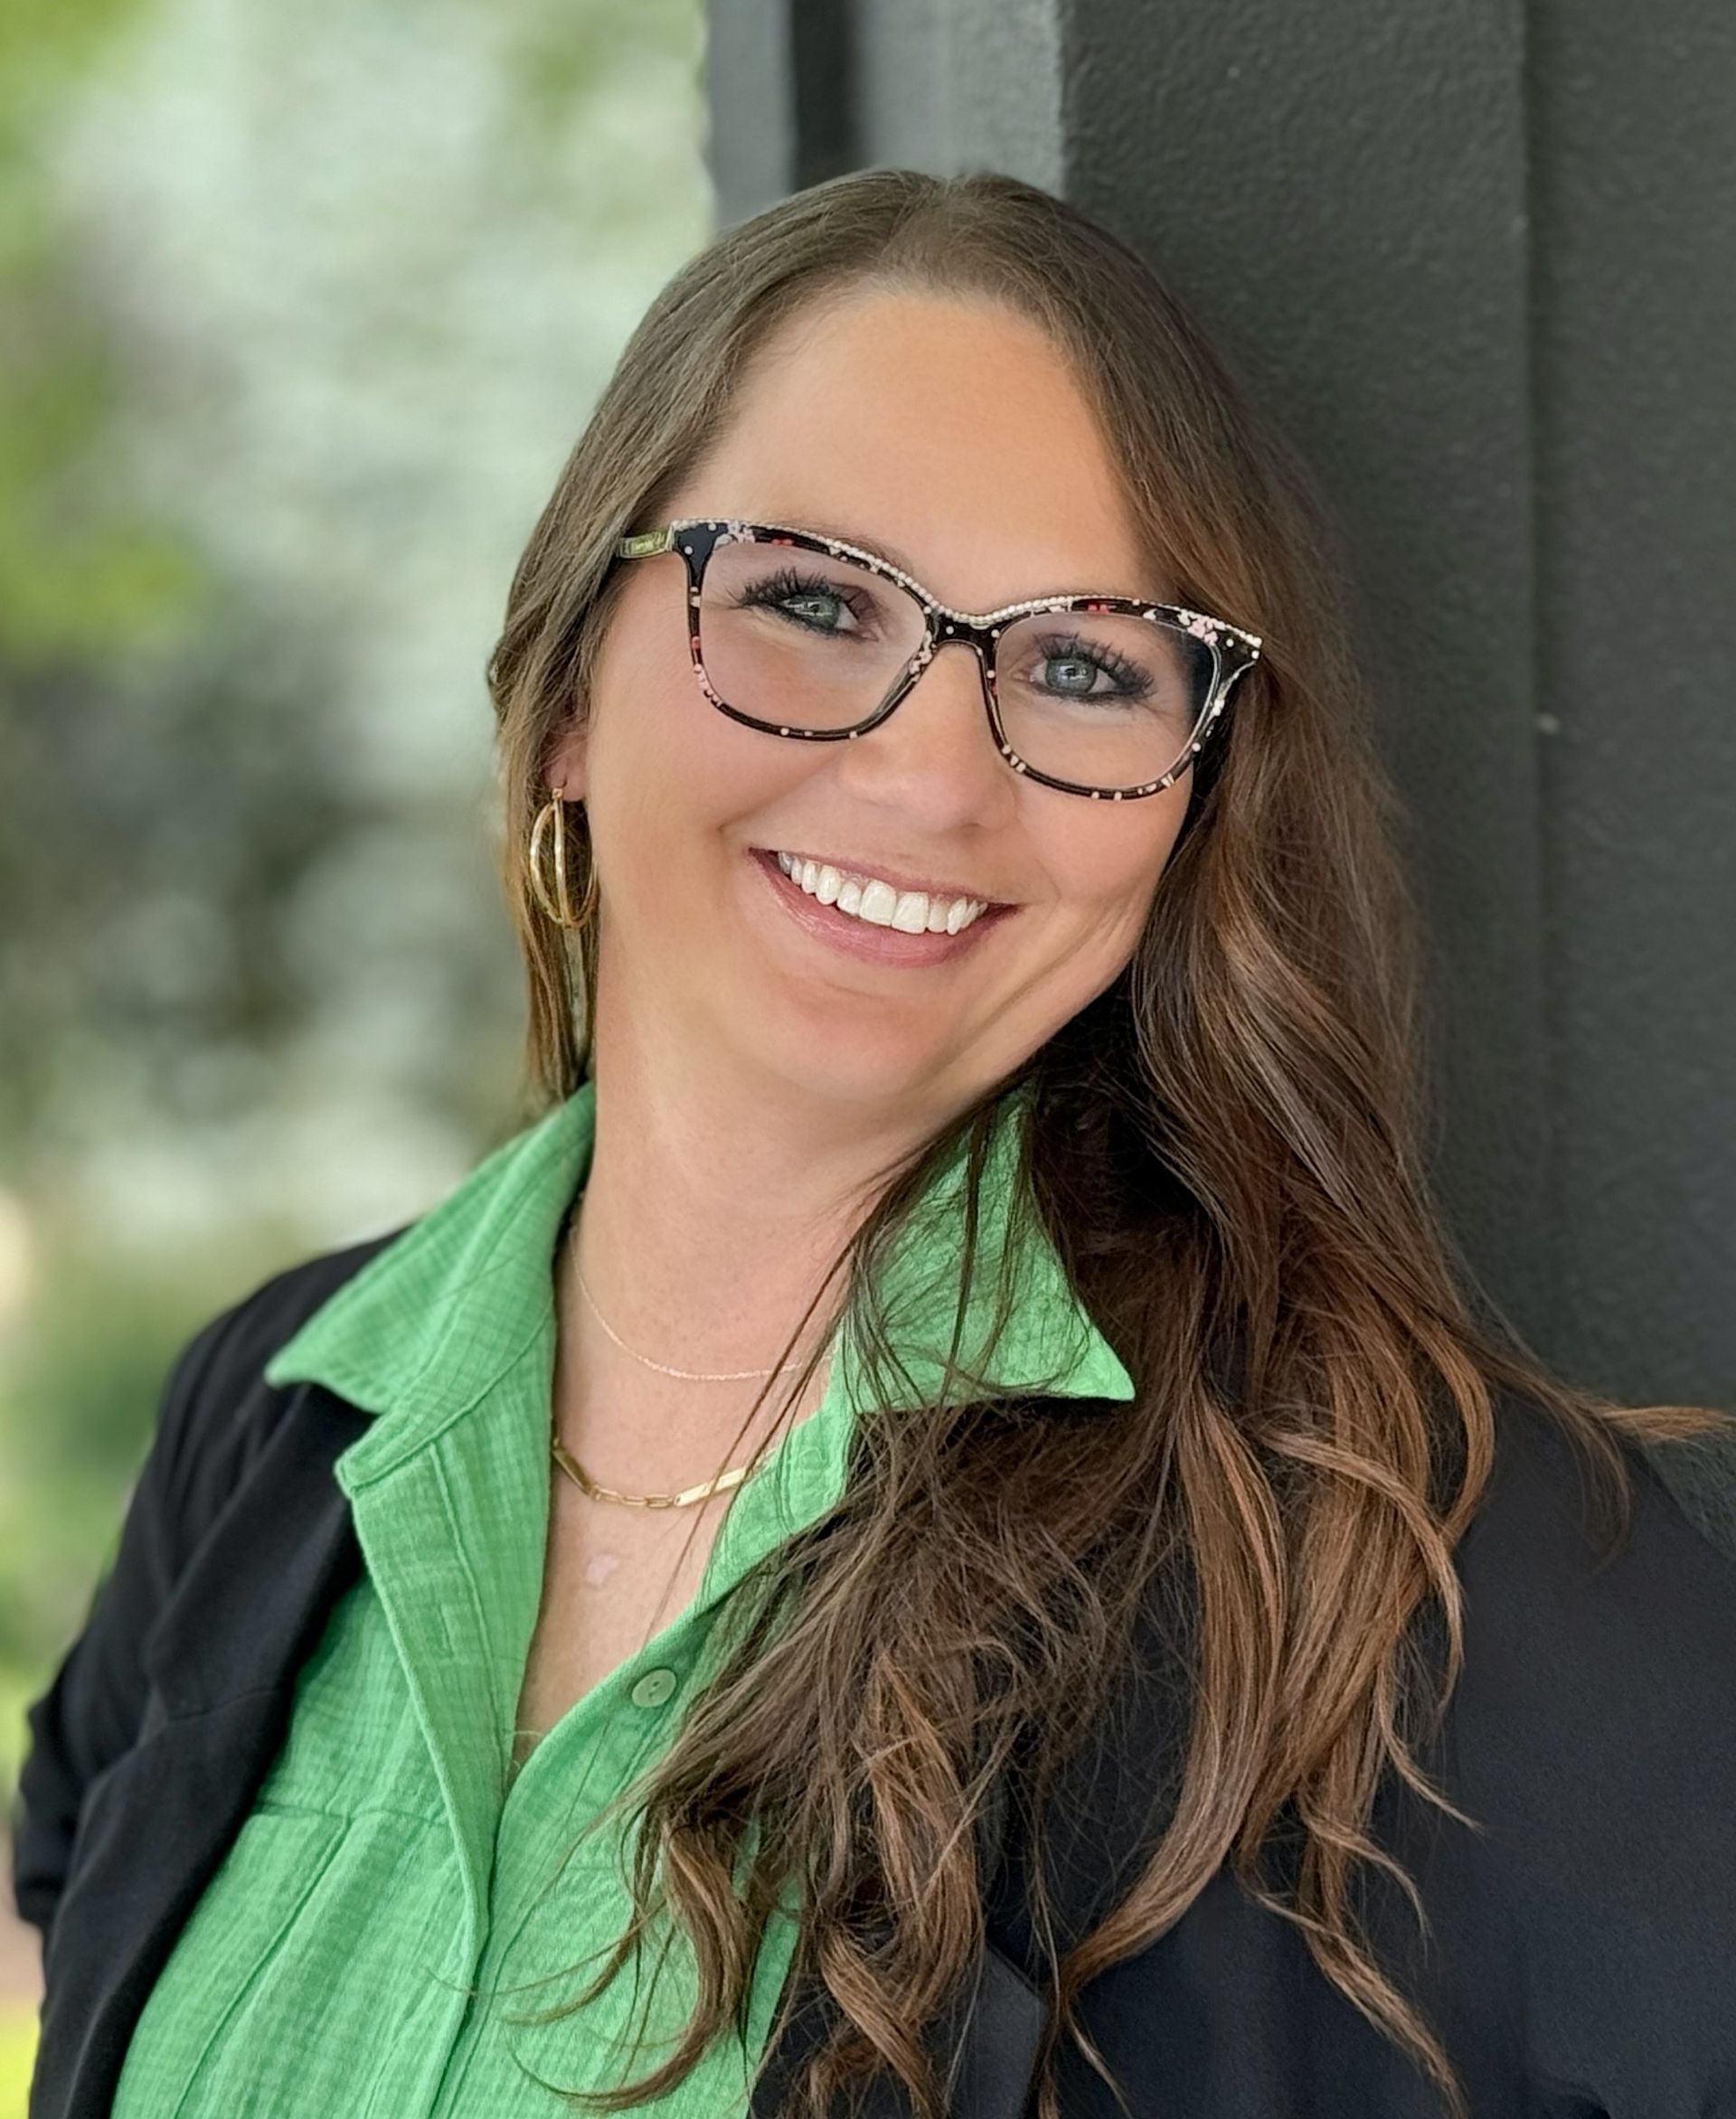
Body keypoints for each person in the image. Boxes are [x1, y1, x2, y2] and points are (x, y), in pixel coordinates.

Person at [14, 165, 1736, 2119]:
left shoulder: (1387, 1560)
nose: (931, 775)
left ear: (1190, 808)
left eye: (1083, 666)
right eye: (812, 602)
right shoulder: (270, 1412)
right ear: (569, 695)